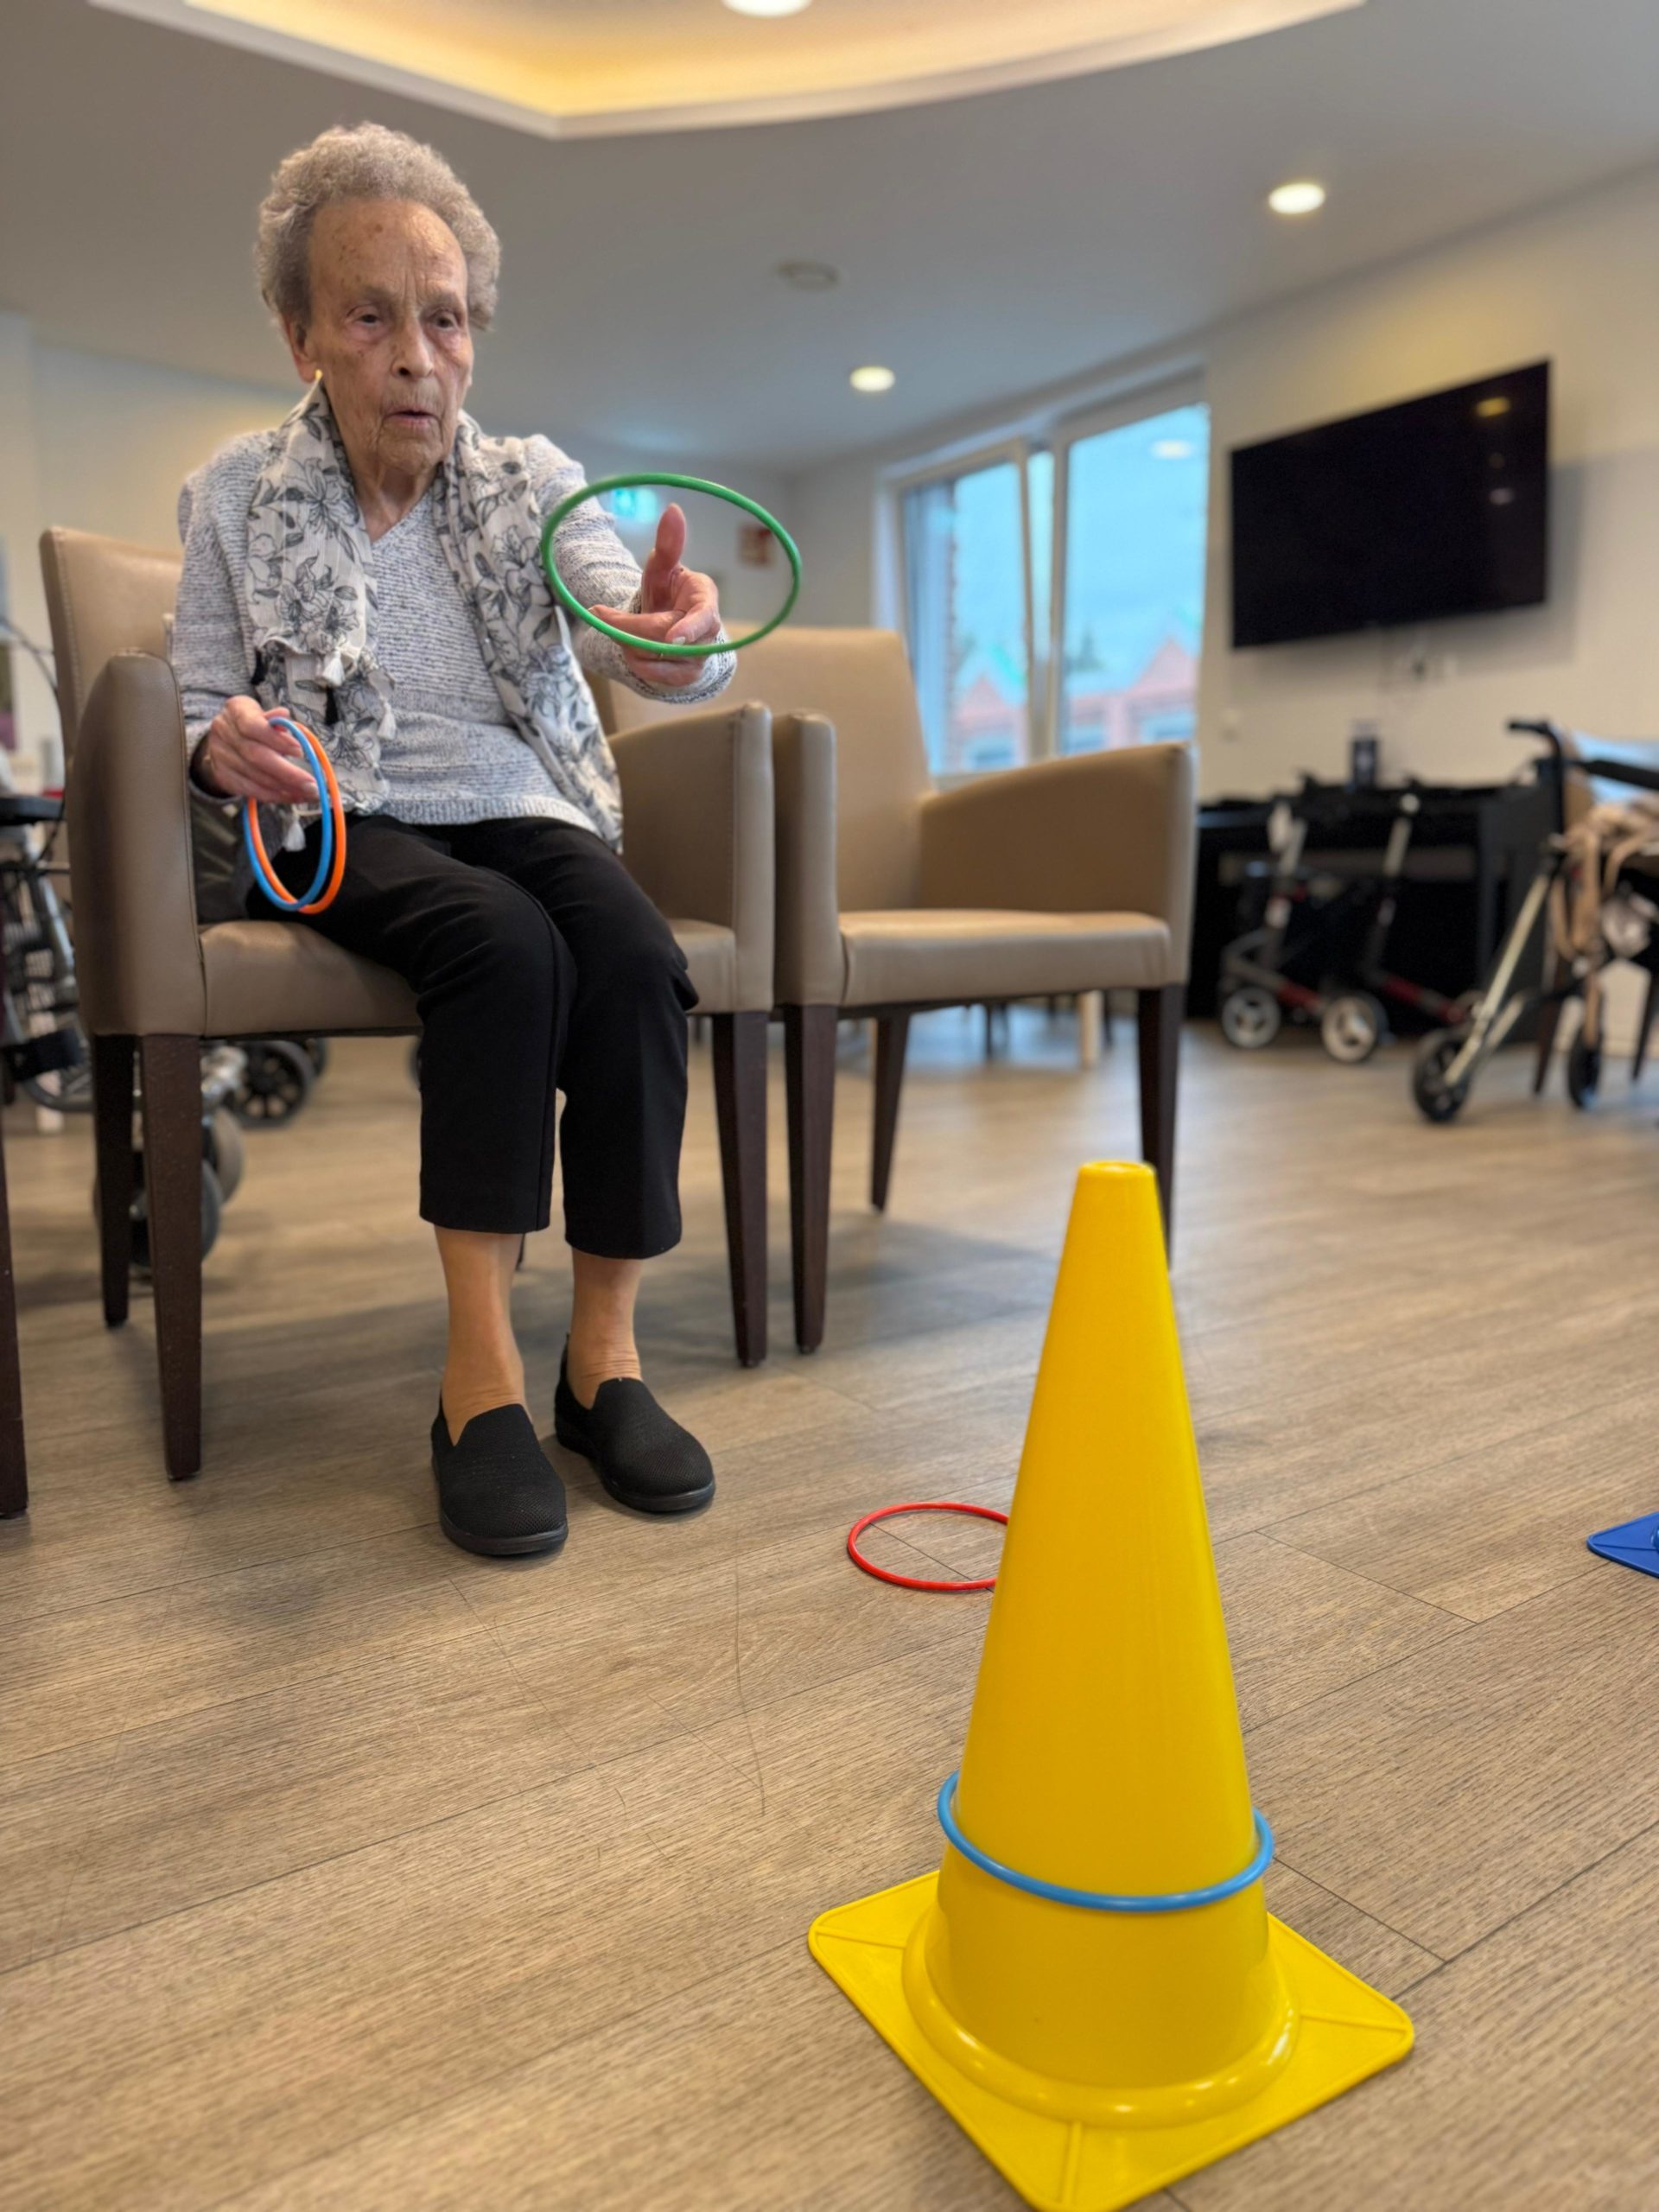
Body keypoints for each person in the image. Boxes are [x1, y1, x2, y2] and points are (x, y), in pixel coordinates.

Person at [174, 121, 735, 1559]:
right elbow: (197, 699)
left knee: (630, 951)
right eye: (371, 319)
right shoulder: (236, 492)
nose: (418, 357)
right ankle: (478, 1380)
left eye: (445, 319)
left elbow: (638, 636)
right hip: (340, 808)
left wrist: (676, 635)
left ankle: (601, 1365)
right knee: (500, 943)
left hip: (522, 799)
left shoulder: (534, 482)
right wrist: (219, 742)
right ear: (304, 336)